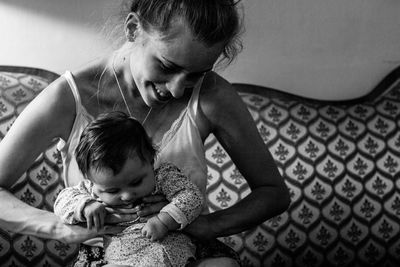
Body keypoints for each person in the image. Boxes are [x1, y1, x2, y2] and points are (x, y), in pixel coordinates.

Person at [0, 0, 290, 266]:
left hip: (189, 252)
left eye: (196, 75)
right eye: (167, 66)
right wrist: (60, 226)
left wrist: (205, 225)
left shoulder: (213, 96)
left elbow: (273, 193)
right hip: (112, 255)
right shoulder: (67, 98)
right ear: (133, 29)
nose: (178, 89)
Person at [54, 111, 204, 266]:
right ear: (91, 181)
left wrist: (164, 220)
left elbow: (192, 196)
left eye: (136, 182)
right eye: (112, 191)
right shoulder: (91, 190)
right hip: (123, 260)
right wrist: (86, 205)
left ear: (151, 162)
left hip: (175, 255)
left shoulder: (164, 176)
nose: (126, 196)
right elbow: (62, 201)